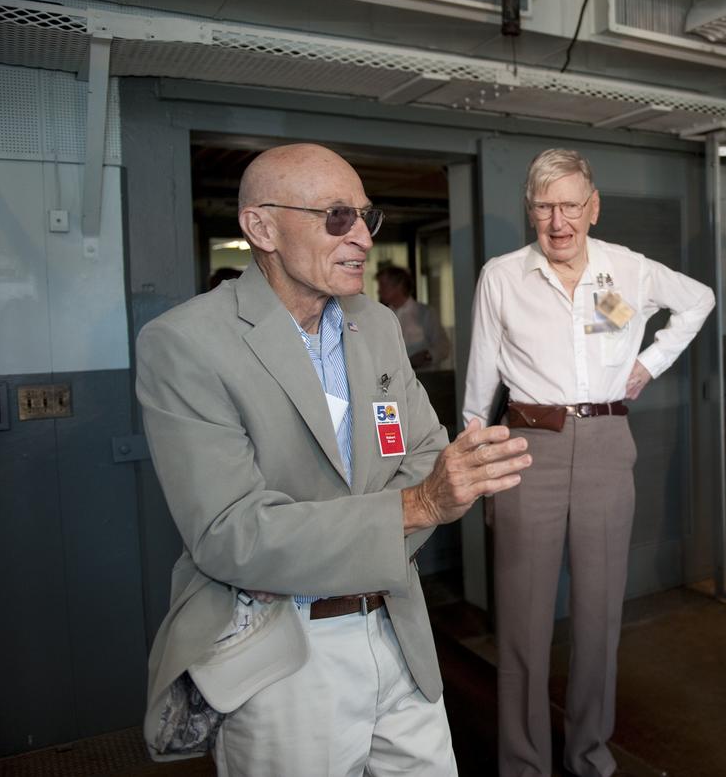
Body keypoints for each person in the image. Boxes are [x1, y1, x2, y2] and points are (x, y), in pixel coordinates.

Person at [136, 143, 531, 775]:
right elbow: (231, 534)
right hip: (283, 651)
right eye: (336, 217)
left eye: (366, 219)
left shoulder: (371, 323)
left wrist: (403, 506)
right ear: (261, 227)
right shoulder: (186, 344)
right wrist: (415, 505)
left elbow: (428, 456)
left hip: (397, 625)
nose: (362, 238)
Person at [463, 148, 714, 777]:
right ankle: (524, 764)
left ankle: (590, 756)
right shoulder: (502, 275)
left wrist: (647, 364)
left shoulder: (625, 271)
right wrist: (474, 451)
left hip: (605, 446)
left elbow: (700, 301)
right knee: (522, 624)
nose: (558, 221)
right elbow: (479, 382)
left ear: (592, 208)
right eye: (545, 207)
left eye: (570, 205)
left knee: (600, 618)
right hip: (527, 445)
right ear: (531, 211)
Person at [377, 264, 452, 370]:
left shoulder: (425, 313)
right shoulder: (382, 315)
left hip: (424, 380)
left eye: (383, 285)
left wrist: (427, 355)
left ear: (399, 286)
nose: (379, 291)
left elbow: (443, 346)